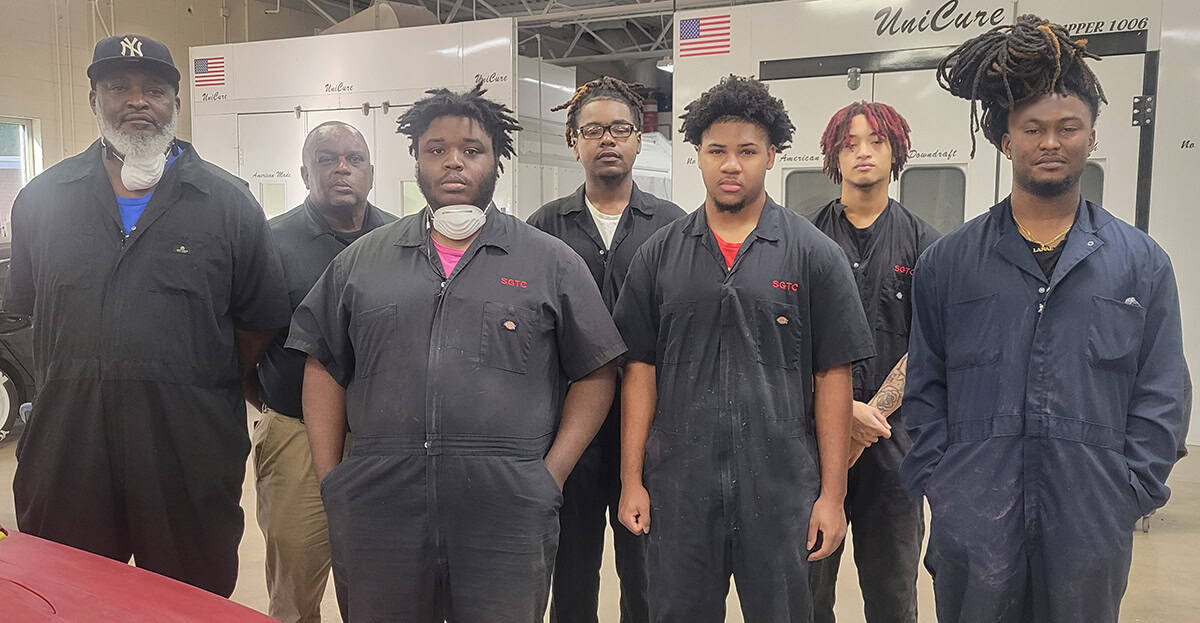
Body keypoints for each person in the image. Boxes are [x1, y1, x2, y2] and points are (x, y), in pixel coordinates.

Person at [286, 83, 626, 622]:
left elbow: (596, 370)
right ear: (416, 160)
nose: (453, 162)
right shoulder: (362, 262)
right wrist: (335, 480)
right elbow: (322, 364)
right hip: (381, 504)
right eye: (436, 149)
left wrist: (549, 475)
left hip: (507, 507)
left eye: (472, 149)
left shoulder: (549, 262)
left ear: (496, 160)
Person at [901, 15, 1189, 622]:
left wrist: (1129, 490)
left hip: (1091, 516)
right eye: (1032, 128)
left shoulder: (1140, 264)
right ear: (1007, 140)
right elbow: (925, 387)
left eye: (1068, 127)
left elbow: (1163, 391)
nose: (1050, 142)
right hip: (974, 516)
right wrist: (943, 485)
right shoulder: (949, 264)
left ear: (1091, 136)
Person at [4, 33, 290, 596]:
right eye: (118, 87)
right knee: (69, 594)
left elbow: (258, 322)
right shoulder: (42, 199)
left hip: (187, 446)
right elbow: (34, 309)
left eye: (155, 90)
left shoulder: (228, 203)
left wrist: (185, 377)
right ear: (93, 100)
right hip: (69, 447)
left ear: (175, 104)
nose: (138, 101)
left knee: (188, 595)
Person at [613, 75, 875, 622]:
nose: (731, 165)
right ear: (698, 156)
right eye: (717, 151)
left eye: (747, 151)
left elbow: (833, 377)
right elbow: (640, 369)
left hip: (782, 490)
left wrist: (832, 495)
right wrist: (632, 479)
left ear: (772, 156)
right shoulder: (659, 256)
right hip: (680, 488)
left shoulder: (814, 255)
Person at [527, 76, 684, 623]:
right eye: (593, 130)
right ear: (573, 142)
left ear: (640, 140)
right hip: (569, 427)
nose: (608, 139)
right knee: (571, 570)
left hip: (653, 429)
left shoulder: (674, 227)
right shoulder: (544, 227)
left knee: (647, 572)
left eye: (621, 128)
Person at [252, 121, 396, 622]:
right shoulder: (271, 243)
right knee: (294, 587)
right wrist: (274, 404)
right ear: (304, 173)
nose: (341, 169)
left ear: (371, 172)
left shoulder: (401, 240)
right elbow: (245, 344)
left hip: (383, 443)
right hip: (295, 437)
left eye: (354, 159)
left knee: (384, 585)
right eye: (326, 158)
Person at [807, 101, 939, 623]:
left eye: (876, 141)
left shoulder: (927, 246)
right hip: (811, 442)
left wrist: (868, 418)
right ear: (833, 155)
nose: (863, 152)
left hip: (893, 447)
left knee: (892, 593)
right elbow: (786, 343)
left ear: (896, 150)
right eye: (850, 143)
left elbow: (931, 343)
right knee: (807, 589)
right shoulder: (802, 240)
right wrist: (841, 414)